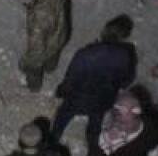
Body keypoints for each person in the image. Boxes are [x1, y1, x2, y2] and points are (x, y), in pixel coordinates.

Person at [51, 15, 136, 143]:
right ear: (124, 37)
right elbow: (127, 80)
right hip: (103, 98)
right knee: (96, 121)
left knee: (63, 116)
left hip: (78, 97)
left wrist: (61, 90)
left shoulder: (85, 54)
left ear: (104, 31)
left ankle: (53, 139)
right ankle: (93, 147)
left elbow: (71, 77)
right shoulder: (126, 55)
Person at [19, 0, 69, 92]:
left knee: (34, 68)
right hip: (60, 35)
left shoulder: (38, 24)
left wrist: (25, 63)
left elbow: (36, 52)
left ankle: (34, 86)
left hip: (48, 44)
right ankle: (50, 67)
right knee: (54, 52)